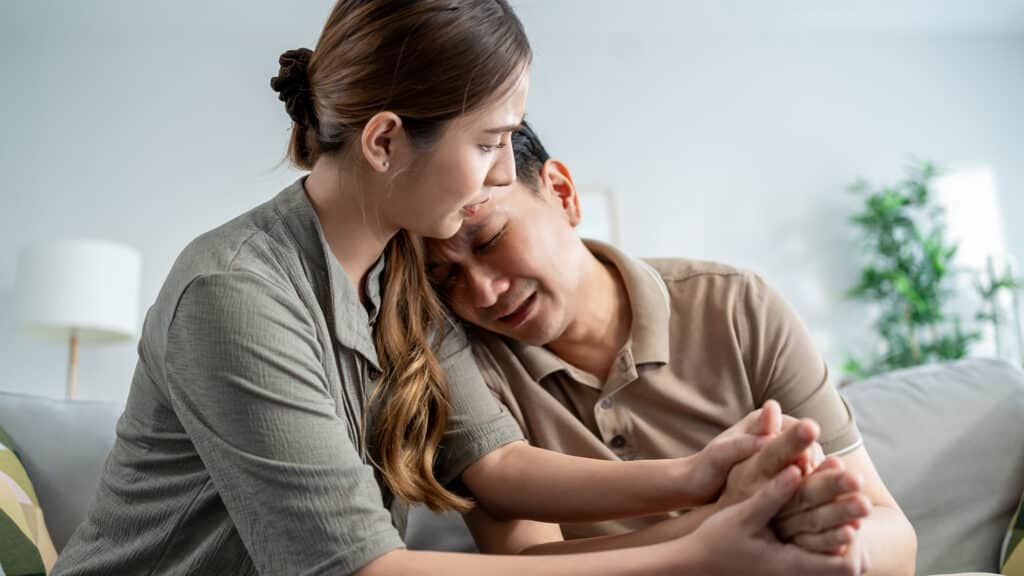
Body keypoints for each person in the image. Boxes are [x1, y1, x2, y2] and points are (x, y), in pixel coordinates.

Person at [52, 3, 865, 575]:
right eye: (489, 142)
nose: (503, 171)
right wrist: (697, 554)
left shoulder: (404, 272)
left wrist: (699, 473)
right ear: (384, 141)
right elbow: (361, 570)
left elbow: (498, 461)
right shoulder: (235, 296)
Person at [425, 121, 917, 574]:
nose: (483, 292)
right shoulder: (465, 373)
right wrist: (734, 522)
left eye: (489, 240)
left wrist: (835, 547)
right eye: (445, 277)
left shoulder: (736, 305)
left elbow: (893, 534)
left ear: (562, 193)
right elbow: (529, 567)